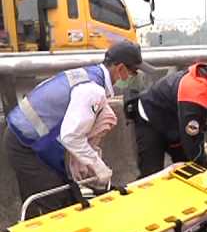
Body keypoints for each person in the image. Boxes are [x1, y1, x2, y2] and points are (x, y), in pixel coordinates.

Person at [4, 40, 147, 218]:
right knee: (52, 203)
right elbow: (71, 137)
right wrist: (98, 167)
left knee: (67, 196)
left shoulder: (88, 74)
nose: (132, 77)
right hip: (25, 145)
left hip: (28, 138)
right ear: (120, 69)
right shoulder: (93, 90)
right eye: (133, 72)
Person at [127, 59, 207, 177]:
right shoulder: (196, 94)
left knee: (189, 171)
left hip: (175, 123)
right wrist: (206, 170)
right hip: (151, 119)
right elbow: (192, 142)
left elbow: (198, 132)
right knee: (152, 175)